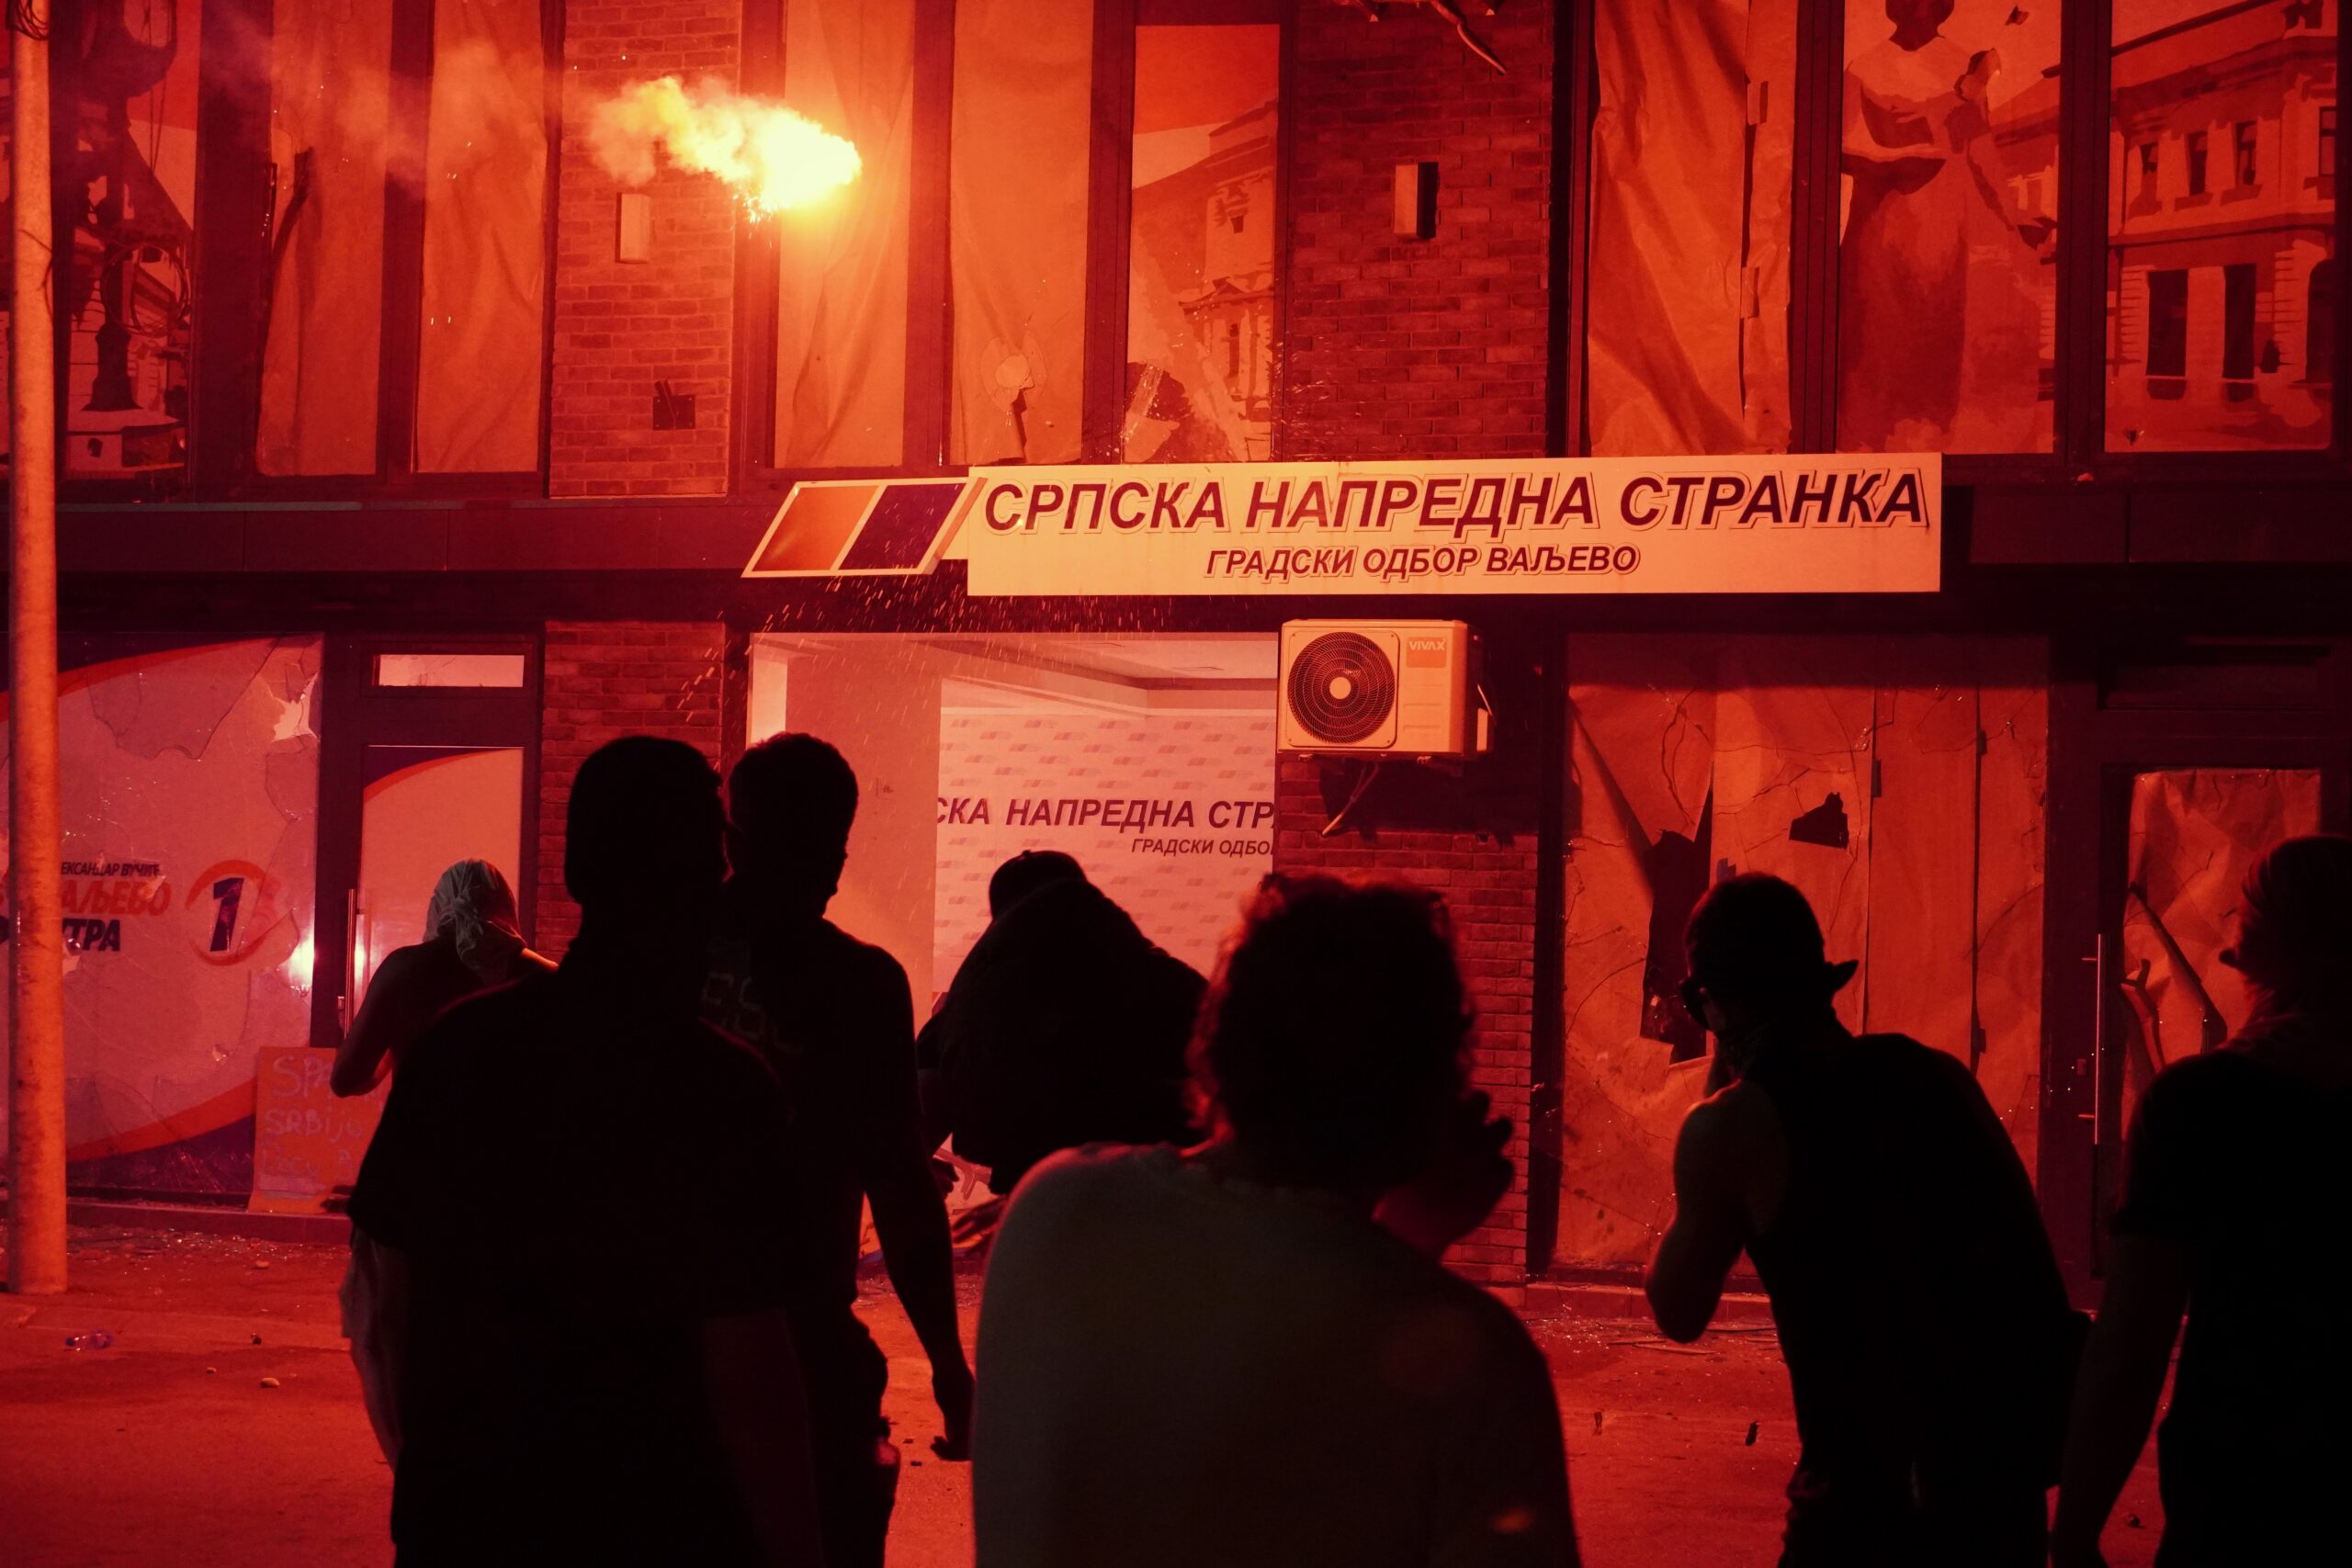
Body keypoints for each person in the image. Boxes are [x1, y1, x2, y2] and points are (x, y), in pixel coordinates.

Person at [974, 875, 1578, 1568]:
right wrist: (1412, 1244)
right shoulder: (1477, 1361)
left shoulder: (1054, 1207)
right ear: (1435, 1091)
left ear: (1219, 1039)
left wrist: (1403, 1248)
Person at [348, 737, 824, 1566]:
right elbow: (749, 1370)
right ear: (711, 878)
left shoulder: (456, 1052)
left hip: (467, 1523)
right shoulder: (720, 1088)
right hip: (655, 1529)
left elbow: (384, 1309)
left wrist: (424, 1482)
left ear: (573, 874)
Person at [1645, 873, 2075, 1568]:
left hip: (1860, 1513)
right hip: (1998, 1501)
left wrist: (1719, 1089)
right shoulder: (1938, 1077)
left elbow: (1677, 1308)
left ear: (1711, 1002)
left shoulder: (1732, 1125)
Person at [702, 732, 975, 1568]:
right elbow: (899, 1185)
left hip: (654, 1344)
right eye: (822, 851)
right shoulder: (860, 983)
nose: (827, 874)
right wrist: (947, 1364)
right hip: (804, 1347)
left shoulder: (652, 962)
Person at [2054, 835, 2352, 1568]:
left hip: (2244, 1497)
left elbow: (2132, 1346)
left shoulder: (2201, 1104)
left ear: (2256, 951)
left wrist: (2076, 1528)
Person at [923, 851, 1205, 1197]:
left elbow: (920, 1095)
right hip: (1150, 1187)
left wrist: (911, 1168)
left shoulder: (970, 998)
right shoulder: (1158, 976)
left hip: (1029, 1190)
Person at [1838, 0, 2051, 451]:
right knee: (1871, 334)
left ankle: (1929, 445)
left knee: (1932, 329)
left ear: (1941, 9)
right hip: (1876, 220)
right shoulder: (1863, 66)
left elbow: (1981, 148)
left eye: (1928, 2)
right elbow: (1839, 147)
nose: (1918, 9)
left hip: (1938, 220)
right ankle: (1864, 446)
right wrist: (1889, 158)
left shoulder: (1960, 65)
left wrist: (2012, 213)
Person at [331, 858, 552, 1098]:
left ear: (440, 905)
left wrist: (392, 1042)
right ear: (505, 905)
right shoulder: (545, 976)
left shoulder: (402, 969)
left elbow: (346, 1080)